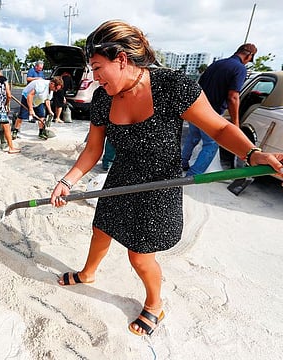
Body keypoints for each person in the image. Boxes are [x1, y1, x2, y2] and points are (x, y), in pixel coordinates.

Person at [49, 20, 282, 337]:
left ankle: (155, 304)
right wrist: (68, 180)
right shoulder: (103, 98)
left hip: (162, 184)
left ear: (121, 59)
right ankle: (88, 272)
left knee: (140, 256)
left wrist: (254, 154)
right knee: (100, 229)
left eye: (98, 67)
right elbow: (92, 150)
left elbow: (219, 128)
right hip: (121, 177)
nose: (94, 77)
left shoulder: (171, 86)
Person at [181, 43, 257, 175]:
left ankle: (181, 163)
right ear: (249, 55)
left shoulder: (216, 64)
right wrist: (236, 123)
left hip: (196, 109)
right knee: (211, 144)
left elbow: (198, 86)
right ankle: (193, 175)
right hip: (212, 113)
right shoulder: (240, 69)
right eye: (250, 59)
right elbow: (233, 97)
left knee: (192, 137)